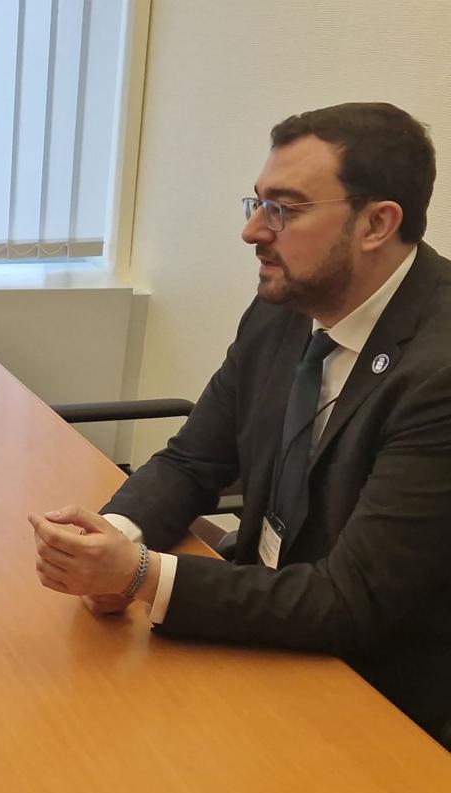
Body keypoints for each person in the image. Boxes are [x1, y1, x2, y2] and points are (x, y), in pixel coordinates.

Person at [28, 102, 451, 749]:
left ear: (376, 223)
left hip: (381, 696)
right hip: (263, 638)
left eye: (283, 208)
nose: (254, 231)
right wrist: (107, 540)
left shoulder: (439, 369)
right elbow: (194, 459)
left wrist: (140, 576)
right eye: (254, 204)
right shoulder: (285, 307)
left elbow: (352, 602)